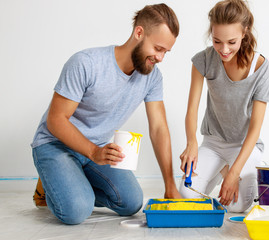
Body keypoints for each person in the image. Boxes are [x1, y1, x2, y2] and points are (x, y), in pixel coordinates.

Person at [31, 3, 181, 225]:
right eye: (158, 48)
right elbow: (55, 120)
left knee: (131, 202)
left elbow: (159, 127)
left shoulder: (152, 77)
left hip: (97, 149)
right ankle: (51, 188)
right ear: (139, 33)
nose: (160, 58)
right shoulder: (87, 63)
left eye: (165, 52)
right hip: (56, 144)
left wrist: (170, 185)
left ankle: (71, 183)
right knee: (76, 211)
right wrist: (93, 151)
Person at [179, 0, 269, 212]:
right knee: (186, 196)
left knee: (236, 206)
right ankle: (222, 168)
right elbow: (192, 109)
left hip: (244, 147)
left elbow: (255, 128)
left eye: (231, 42)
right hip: (213, 143)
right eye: (216, 41)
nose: (224, 49)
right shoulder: (203, 60)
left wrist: (234, 172)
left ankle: (246, 171)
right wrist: (191, 143)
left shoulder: (262, 69)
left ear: (245, 32)